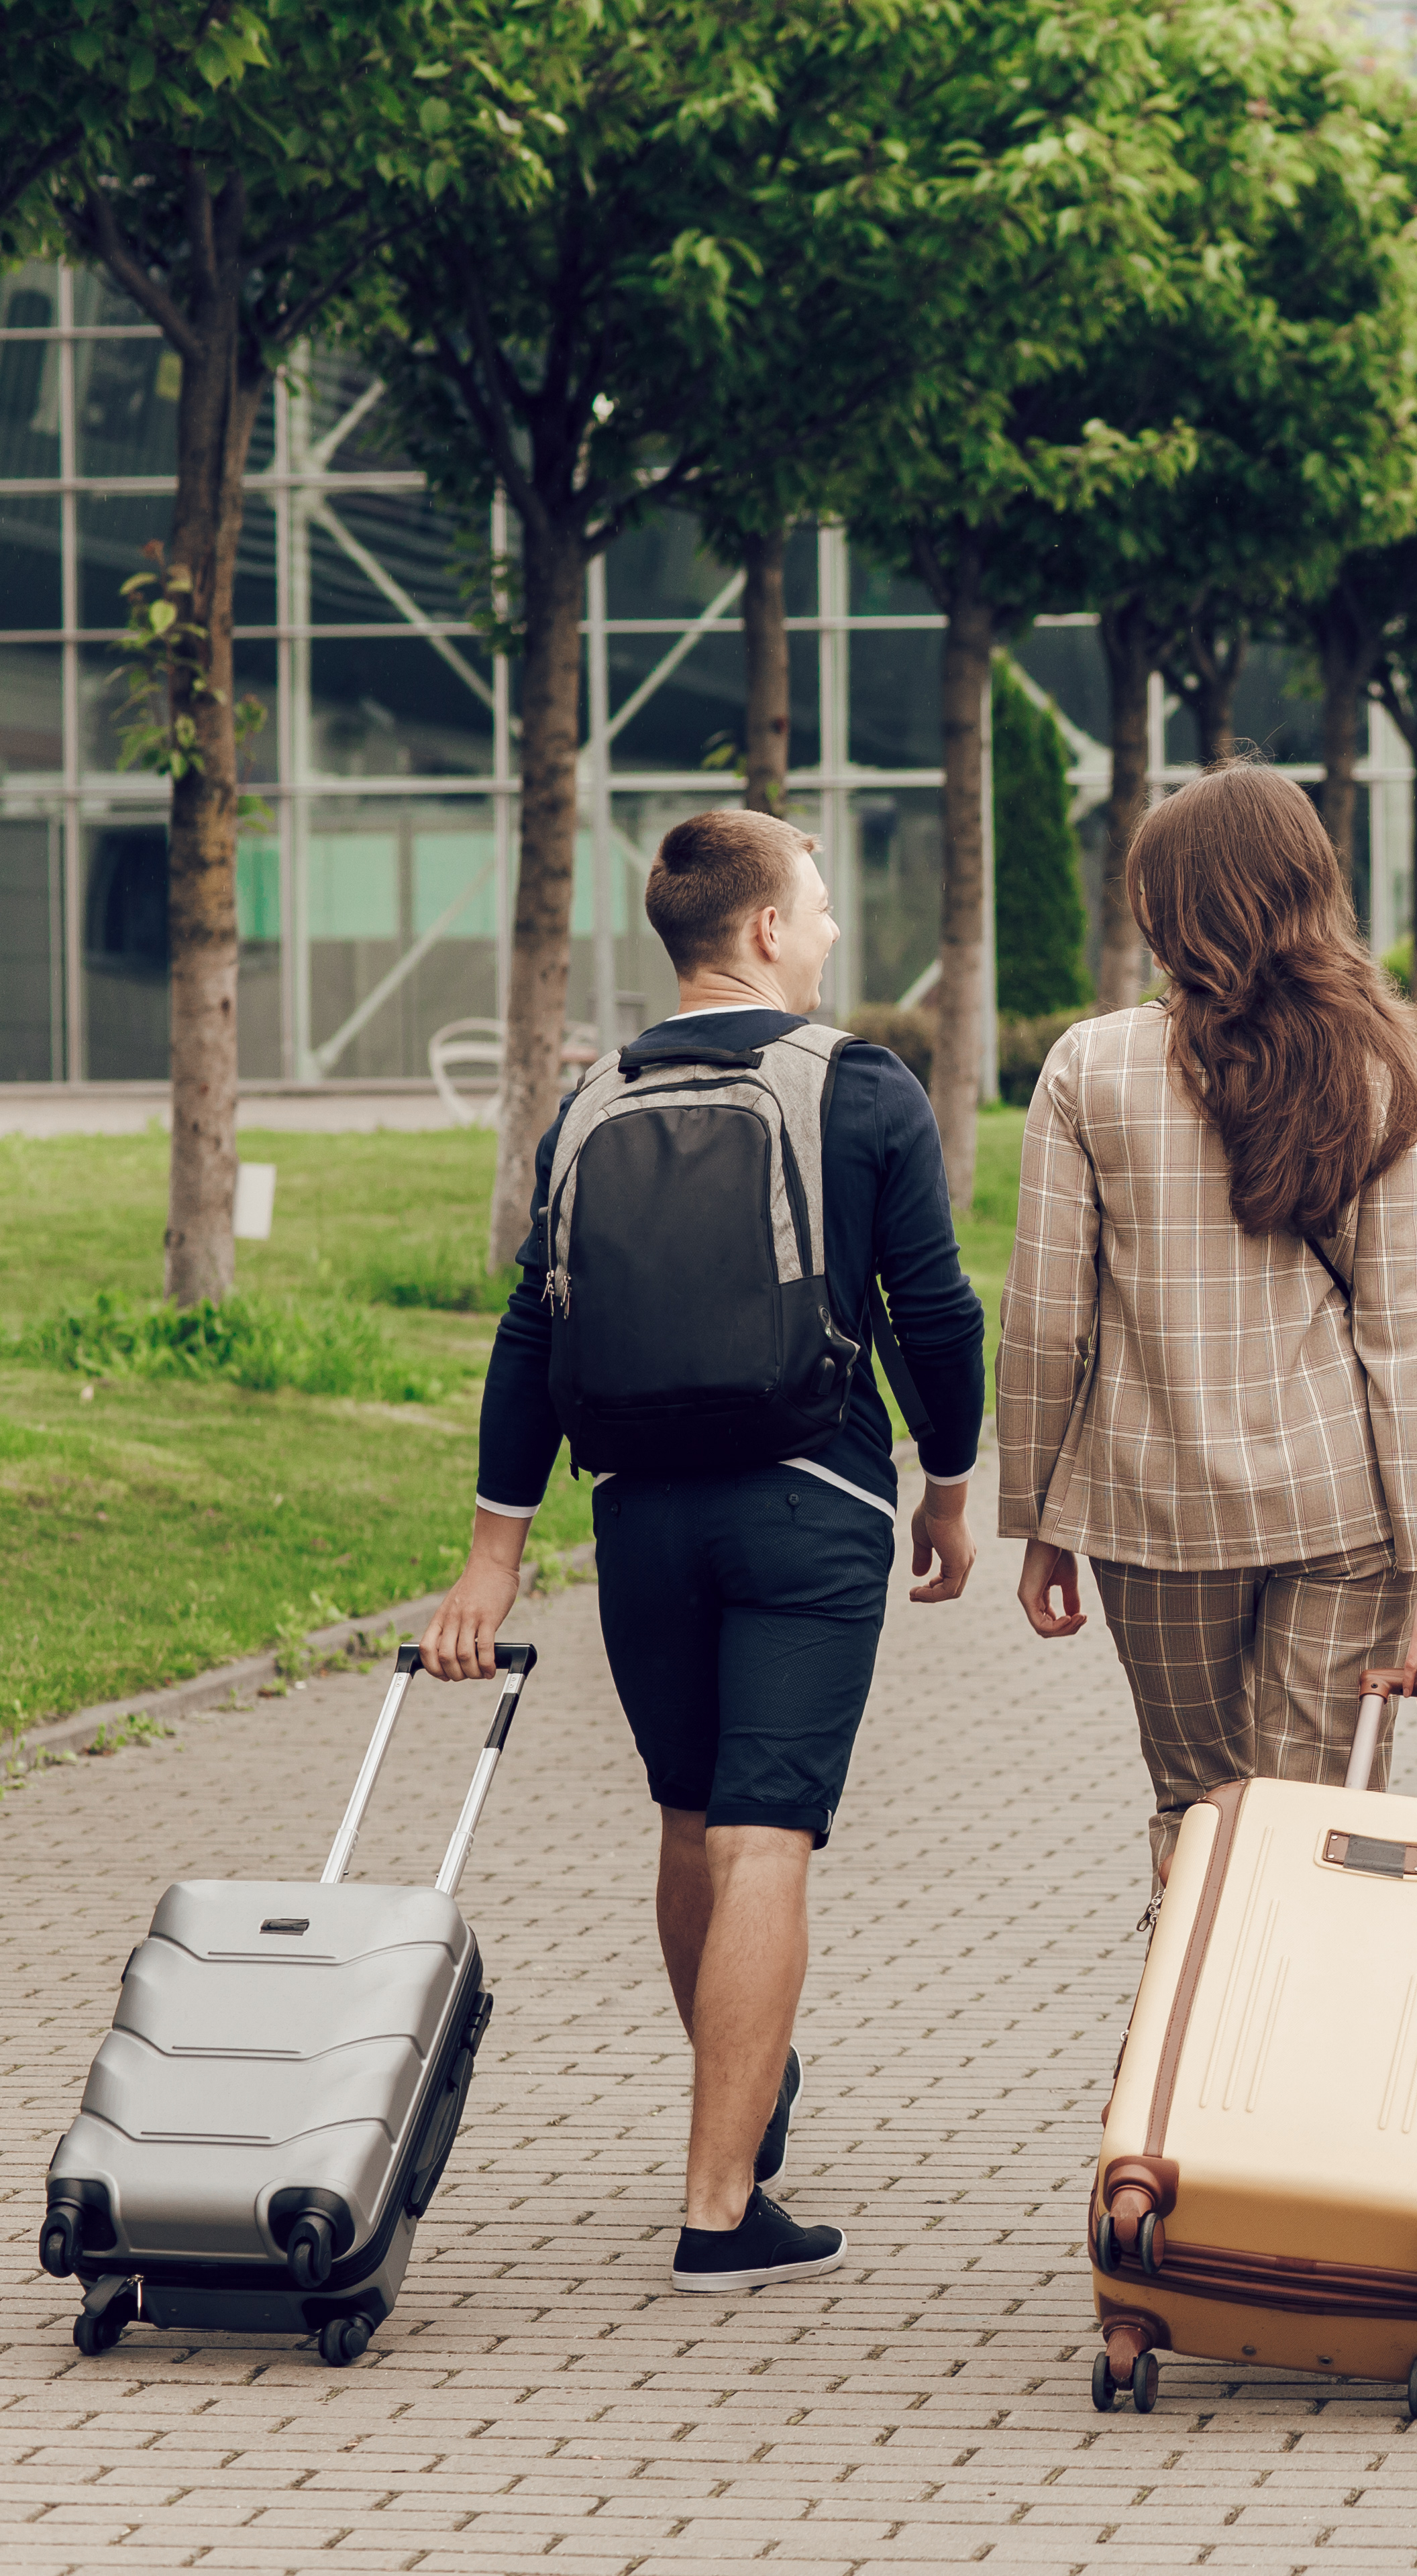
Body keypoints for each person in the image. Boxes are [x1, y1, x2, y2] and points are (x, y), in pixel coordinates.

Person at [423, 808, 988, 2294]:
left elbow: (528, 1333)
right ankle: (722, 2207)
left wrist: (492, 1558)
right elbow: (934, 1314)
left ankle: (746, 2089)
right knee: (767, 1837)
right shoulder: (860, 1087)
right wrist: (949, 1487)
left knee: (692, 1821)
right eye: (816, 905)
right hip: (809, 1500)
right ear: (759, 933)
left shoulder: (590, 1101)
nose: (831, 930)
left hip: (638, 1516)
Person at [998, 763, 1417, 1884]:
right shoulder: (1375, 1064)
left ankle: (1189, 2046)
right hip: (1340, 1512)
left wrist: (1037, 1514)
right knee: (1314, 1822)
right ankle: (1292, 2045)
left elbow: (1042, 1320)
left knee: (1197, 1808)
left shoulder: (1090, 1066)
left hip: (1149, 1509)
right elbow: (1410, 1337)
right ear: (1307, 886)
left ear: (1167, 908)